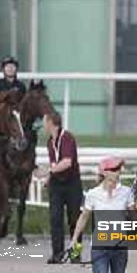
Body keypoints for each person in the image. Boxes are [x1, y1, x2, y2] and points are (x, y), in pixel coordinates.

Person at [70, 156, 132, 273]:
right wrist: (74, 239)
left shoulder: (127, 192)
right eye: (113, 169)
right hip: (99, 248)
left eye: (119, 169)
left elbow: (136, 214)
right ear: (103, 172)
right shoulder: (93, 194)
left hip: (120, 247)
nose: (117, 172)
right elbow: (84, 217)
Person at [40, 111, 83, 264]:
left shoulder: (67, 138)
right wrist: (48, 177)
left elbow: (67, 162)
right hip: (56, 184)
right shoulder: (49, 141)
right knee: (55, 219)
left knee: (74, 219)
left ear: (51, 122)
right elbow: (54, 164)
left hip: (72, 183)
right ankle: (57, 254)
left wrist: (49, 170)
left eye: (45, 121)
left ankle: (75, 254)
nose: (43, 125)